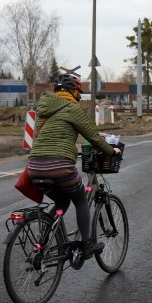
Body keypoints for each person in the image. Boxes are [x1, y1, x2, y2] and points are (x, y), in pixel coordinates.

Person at [25, 69, 120, 258]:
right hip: (59, 166)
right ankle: (87, 245)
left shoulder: (44, 110)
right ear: (73, 92)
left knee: (62, 201)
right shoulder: (72, 108)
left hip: (34, 166)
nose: (78, 96)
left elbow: (42, 137)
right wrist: (111, 151)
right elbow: (92, 136)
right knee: (80, 199)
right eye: (78, 92)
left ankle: (43, 240)